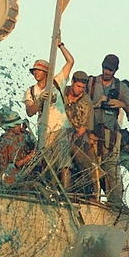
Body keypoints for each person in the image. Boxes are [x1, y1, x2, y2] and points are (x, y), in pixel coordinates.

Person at [23, 40, 75, 189]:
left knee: (64, 162)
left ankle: (66, 192)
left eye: (38, 70)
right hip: (44, 130)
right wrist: (39, 101)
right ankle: (51, 191)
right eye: (34, 71)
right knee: (47, 163)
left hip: (60, 128)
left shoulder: (57, 82)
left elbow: (70, 61)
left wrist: (60, 45)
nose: (36, 73)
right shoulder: (31, 91)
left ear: (46, 72)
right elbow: (30, 111)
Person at [87, 54, 129, 199]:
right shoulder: (91, 83)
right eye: (105, 68)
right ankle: (91, 197)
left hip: (110, 137)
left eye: (110, 70)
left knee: (112, 173)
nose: (107, 72)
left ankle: (115, 204)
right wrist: (96, 104)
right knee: (89, 169)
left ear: (115, 70)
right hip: (91, 133)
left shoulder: (121, 87)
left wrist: (122, 104)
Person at [64, 70, 99, 198]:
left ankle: (89, 192)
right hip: (58, 130)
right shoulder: (62, 92)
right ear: (72, 82)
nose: (80, 90)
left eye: (83, 88)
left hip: (76, 136)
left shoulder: (86, 102)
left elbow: (83, 128)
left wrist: (73, 139)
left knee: (86, 164)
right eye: (78, 86)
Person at [0, 109, 36, 185]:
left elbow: (34, 144)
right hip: (13, 177)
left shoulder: (22, 134)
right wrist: (30, 156)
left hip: (25, 172)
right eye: (17, 125)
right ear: (11, 127)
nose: (20, 127)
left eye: (20, 124)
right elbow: (15, 164)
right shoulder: (6, 140)